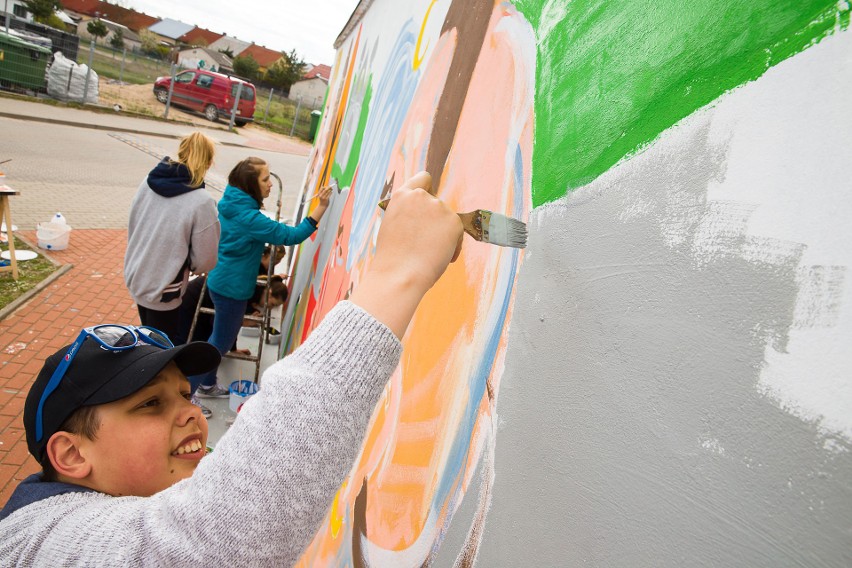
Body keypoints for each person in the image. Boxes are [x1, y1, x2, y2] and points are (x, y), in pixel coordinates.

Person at [0, 171, 463, 566]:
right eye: (150, 404)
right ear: (73, 456)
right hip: (229, 288)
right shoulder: (40, 542)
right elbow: (215, 541)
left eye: (184, 395)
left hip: (232, 285)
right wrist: (398, 271)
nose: (190, 414)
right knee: (220, 341)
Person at [193, 157, 331, 399]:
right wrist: (321, 207)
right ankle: (191, 392)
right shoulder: (250, 219)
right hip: (231, 289)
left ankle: (204, 383)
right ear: (250, 184)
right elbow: (292, 235)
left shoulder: (232, 202)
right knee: (219, 344)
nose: (270, 184)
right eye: (265, 179)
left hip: (220, 280)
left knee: (218, 338)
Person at [124, 132, 220, 343]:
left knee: (148, 339)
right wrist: (188, 265)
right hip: (165, 288)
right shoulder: (202, 201)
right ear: (209, 162)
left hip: (137, 275)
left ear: (181, 152)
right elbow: (206, 260)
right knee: (160, 350)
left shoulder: (148, 181)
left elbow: (133, 223)